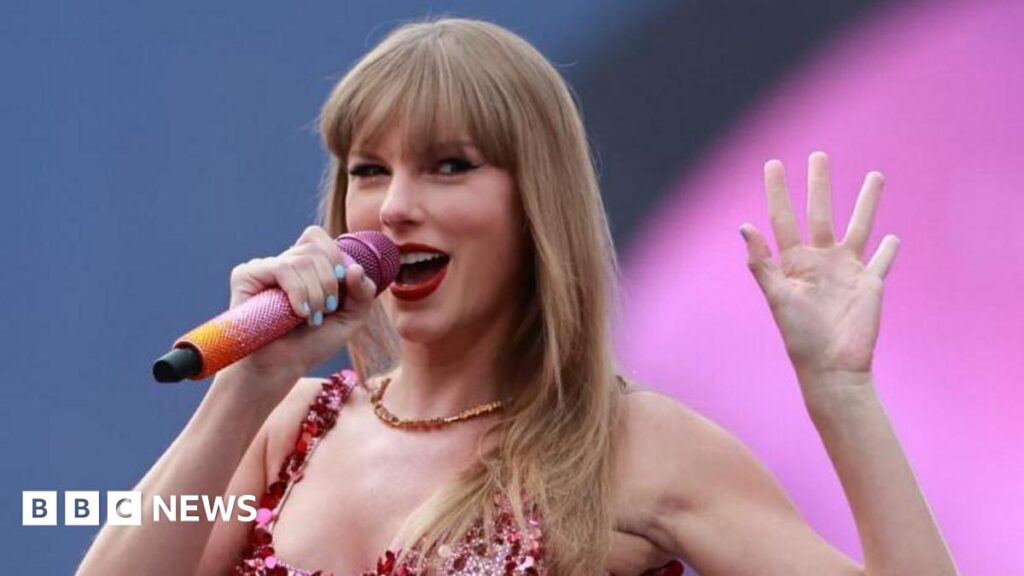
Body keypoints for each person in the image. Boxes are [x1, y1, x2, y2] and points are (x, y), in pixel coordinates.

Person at [78, 17, 959, 576]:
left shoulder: (637, 446)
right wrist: (247, 386)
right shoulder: (288, 430)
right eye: (370, 171)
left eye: (449, 166)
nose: (397, 205)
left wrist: (842, 396)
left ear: (535, 202)